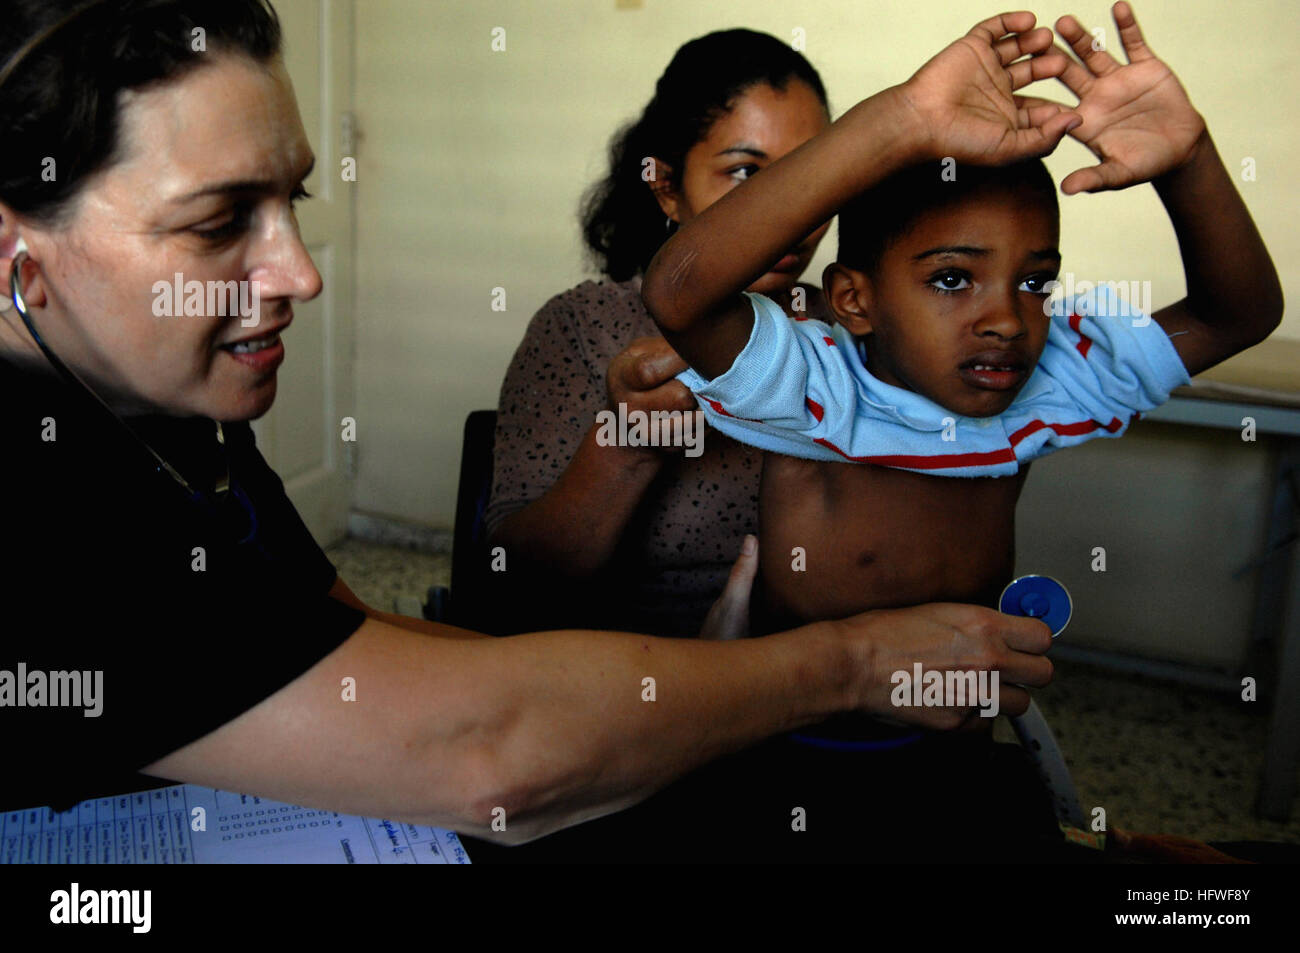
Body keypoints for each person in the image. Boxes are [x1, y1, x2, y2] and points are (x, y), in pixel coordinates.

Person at [0, 0, 1054, 851]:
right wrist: (852, 659)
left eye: (293, 203)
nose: (302, 274)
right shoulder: (42, 489)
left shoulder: (173, 418)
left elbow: (337, 631)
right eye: (220, 221)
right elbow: (493, 749)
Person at [643, 4, 1282, 640]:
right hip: (800, 729)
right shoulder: (819, 390)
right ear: (854, 301)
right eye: (952, 279)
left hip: (966, 717)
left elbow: (1236, 316)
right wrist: (907, 118)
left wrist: (1189, 159)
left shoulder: (1050, 378)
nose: (1006, 320)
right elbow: (678, 292)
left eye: (1035, 283)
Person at [485, 29, 836, 638]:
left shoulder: (852, 328)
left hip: (825, 680)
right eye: (747, 172)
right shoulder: (583, 328)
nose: (792, 213)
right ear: (667, 187)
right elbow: (515, 582)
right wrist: (628, 445)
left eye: (810, 175)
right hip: (627, 681)